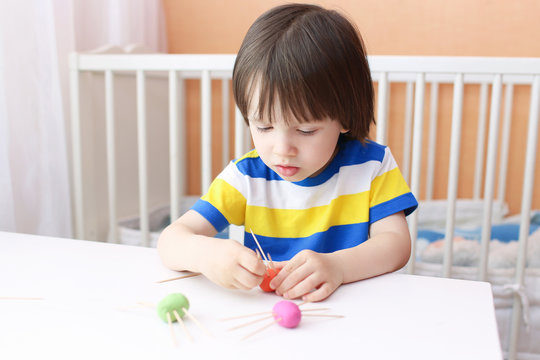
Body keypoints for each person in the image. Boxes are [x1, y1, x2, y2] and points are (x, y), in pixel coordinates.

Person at [158, 3, 418, 302]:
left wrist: (339, 267)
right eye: (264, 127)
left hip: (352, 315)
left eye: (306, 130)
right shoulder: (247, 176)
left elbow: (397, 245)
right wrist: (205, 254)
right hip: (268, 318)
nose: (282, 150)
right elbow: (170, 241)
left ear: (345, 116)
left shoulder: (372, 166)